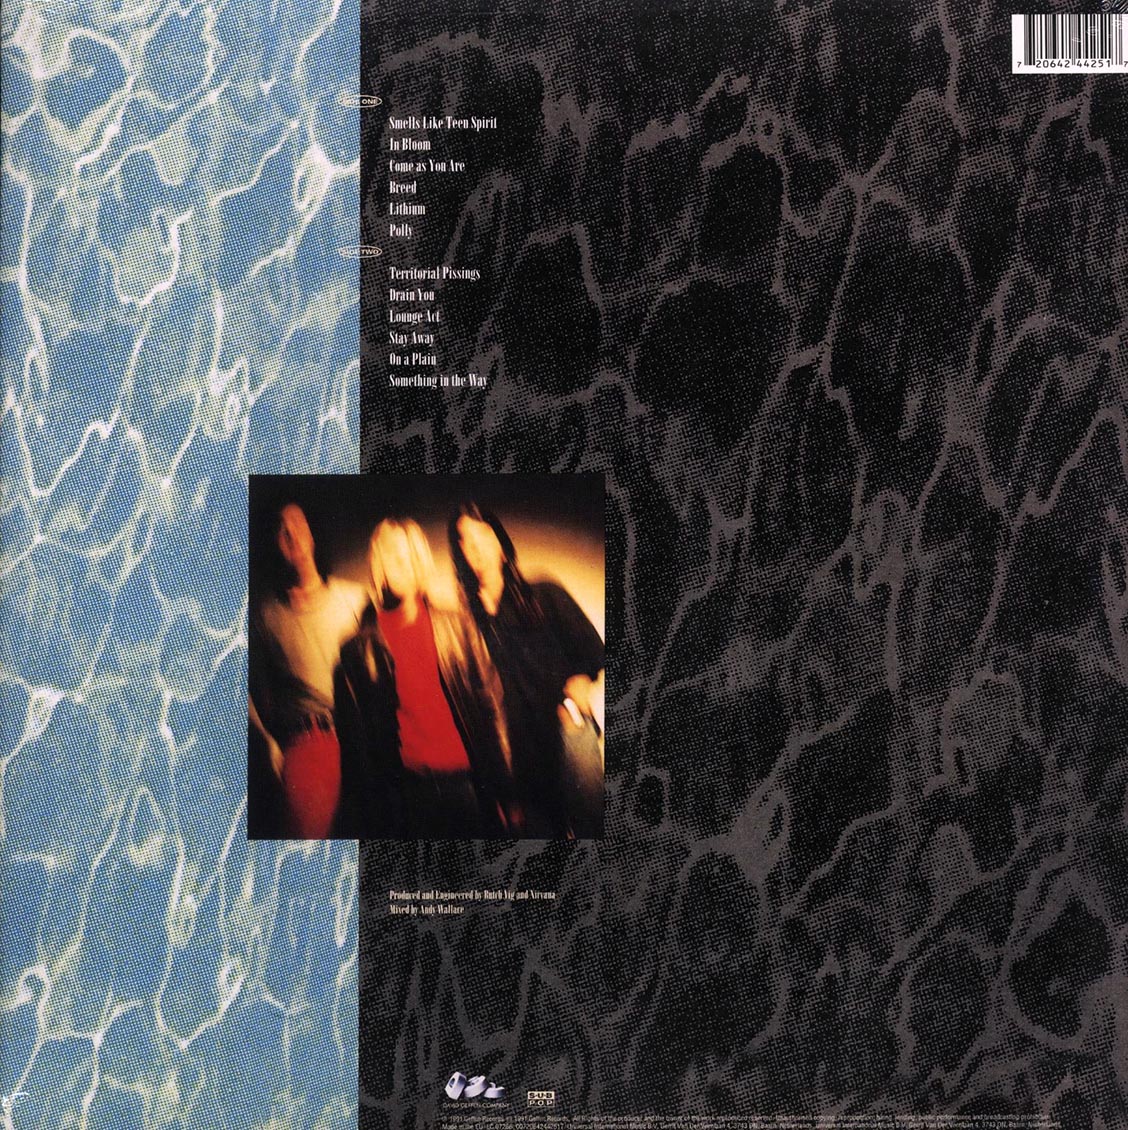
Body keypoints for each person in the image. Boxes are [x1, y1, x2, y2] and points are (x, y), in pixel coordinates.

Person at [335, 518, 514, 838]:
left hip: (468, 788)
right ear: (378, 563)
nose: (402, 562)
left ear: (421, 559)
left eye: (409, 552)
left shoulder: (457, 626)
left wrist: (508, 792)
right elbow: (357, 752)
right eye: (392, 553)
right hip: (408, 799)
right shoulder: (357, 652)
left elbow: (492, 706)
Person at [450, 504, 605, 837]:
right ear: (459, 554)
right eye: (465, 541)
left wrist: (580, 681)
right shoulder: (466, 624)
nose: (476, 547)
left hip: (568, 734)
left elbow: (594, 652)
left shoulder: (543, 594)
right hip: (518, 760)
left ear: (500, 543)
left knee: (591, 829)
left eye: (483, 534)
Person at [249, 503, 366, 838]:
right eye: (280, 528)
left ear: (312, 534)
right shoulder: (265, 615)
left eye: (297, 523)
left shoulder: (355, 599)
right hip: (307, 745)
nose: (291, 533)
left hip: (362, 743)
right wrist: (267, 740)